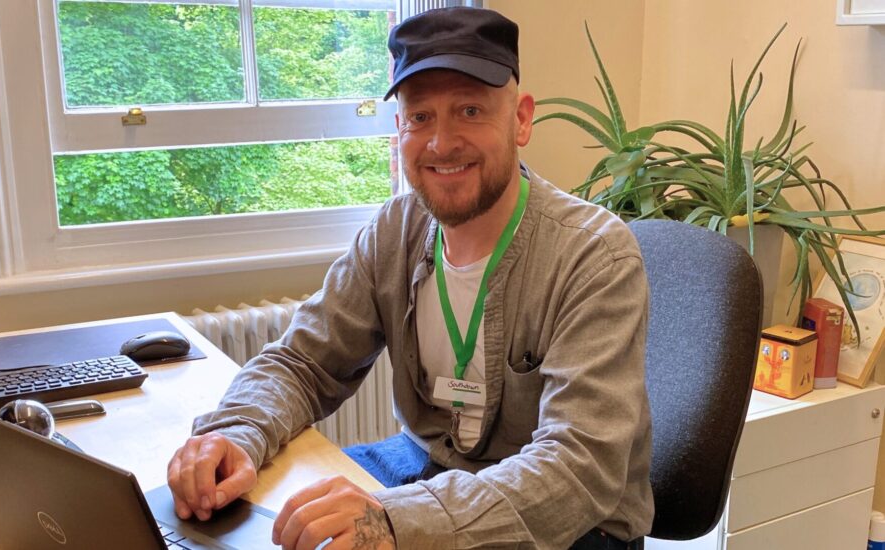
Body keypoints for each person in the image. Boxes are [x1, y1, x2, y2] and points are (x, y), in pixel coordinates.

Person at [167, 7, 653, 550]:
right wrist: (236, 431)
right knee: (266, 527)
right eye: (419, 117)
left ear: (520, 119)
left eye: (470, 110)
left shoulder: (594, 257)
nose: (441, 143)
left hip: (571, 520)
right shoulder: (394, 230)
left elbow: (577, 471)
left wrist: (397, 521)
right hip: (423, 465)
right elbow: (303, 362)